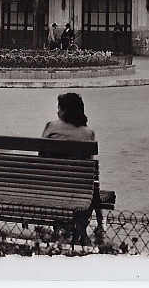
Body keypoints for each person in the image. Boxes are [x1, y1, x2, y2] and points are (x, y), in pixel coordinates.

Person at [41, 92, 101, 237]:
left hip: (51, 186)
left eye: (59, 108)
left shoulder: (51, 127)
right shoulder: (88, 133)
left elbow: (41, 156)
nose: (57, 111)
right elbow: (88, 162)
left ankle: (61, 225)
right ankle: (81, 228)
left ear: (65, 111)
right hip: (78, 189)